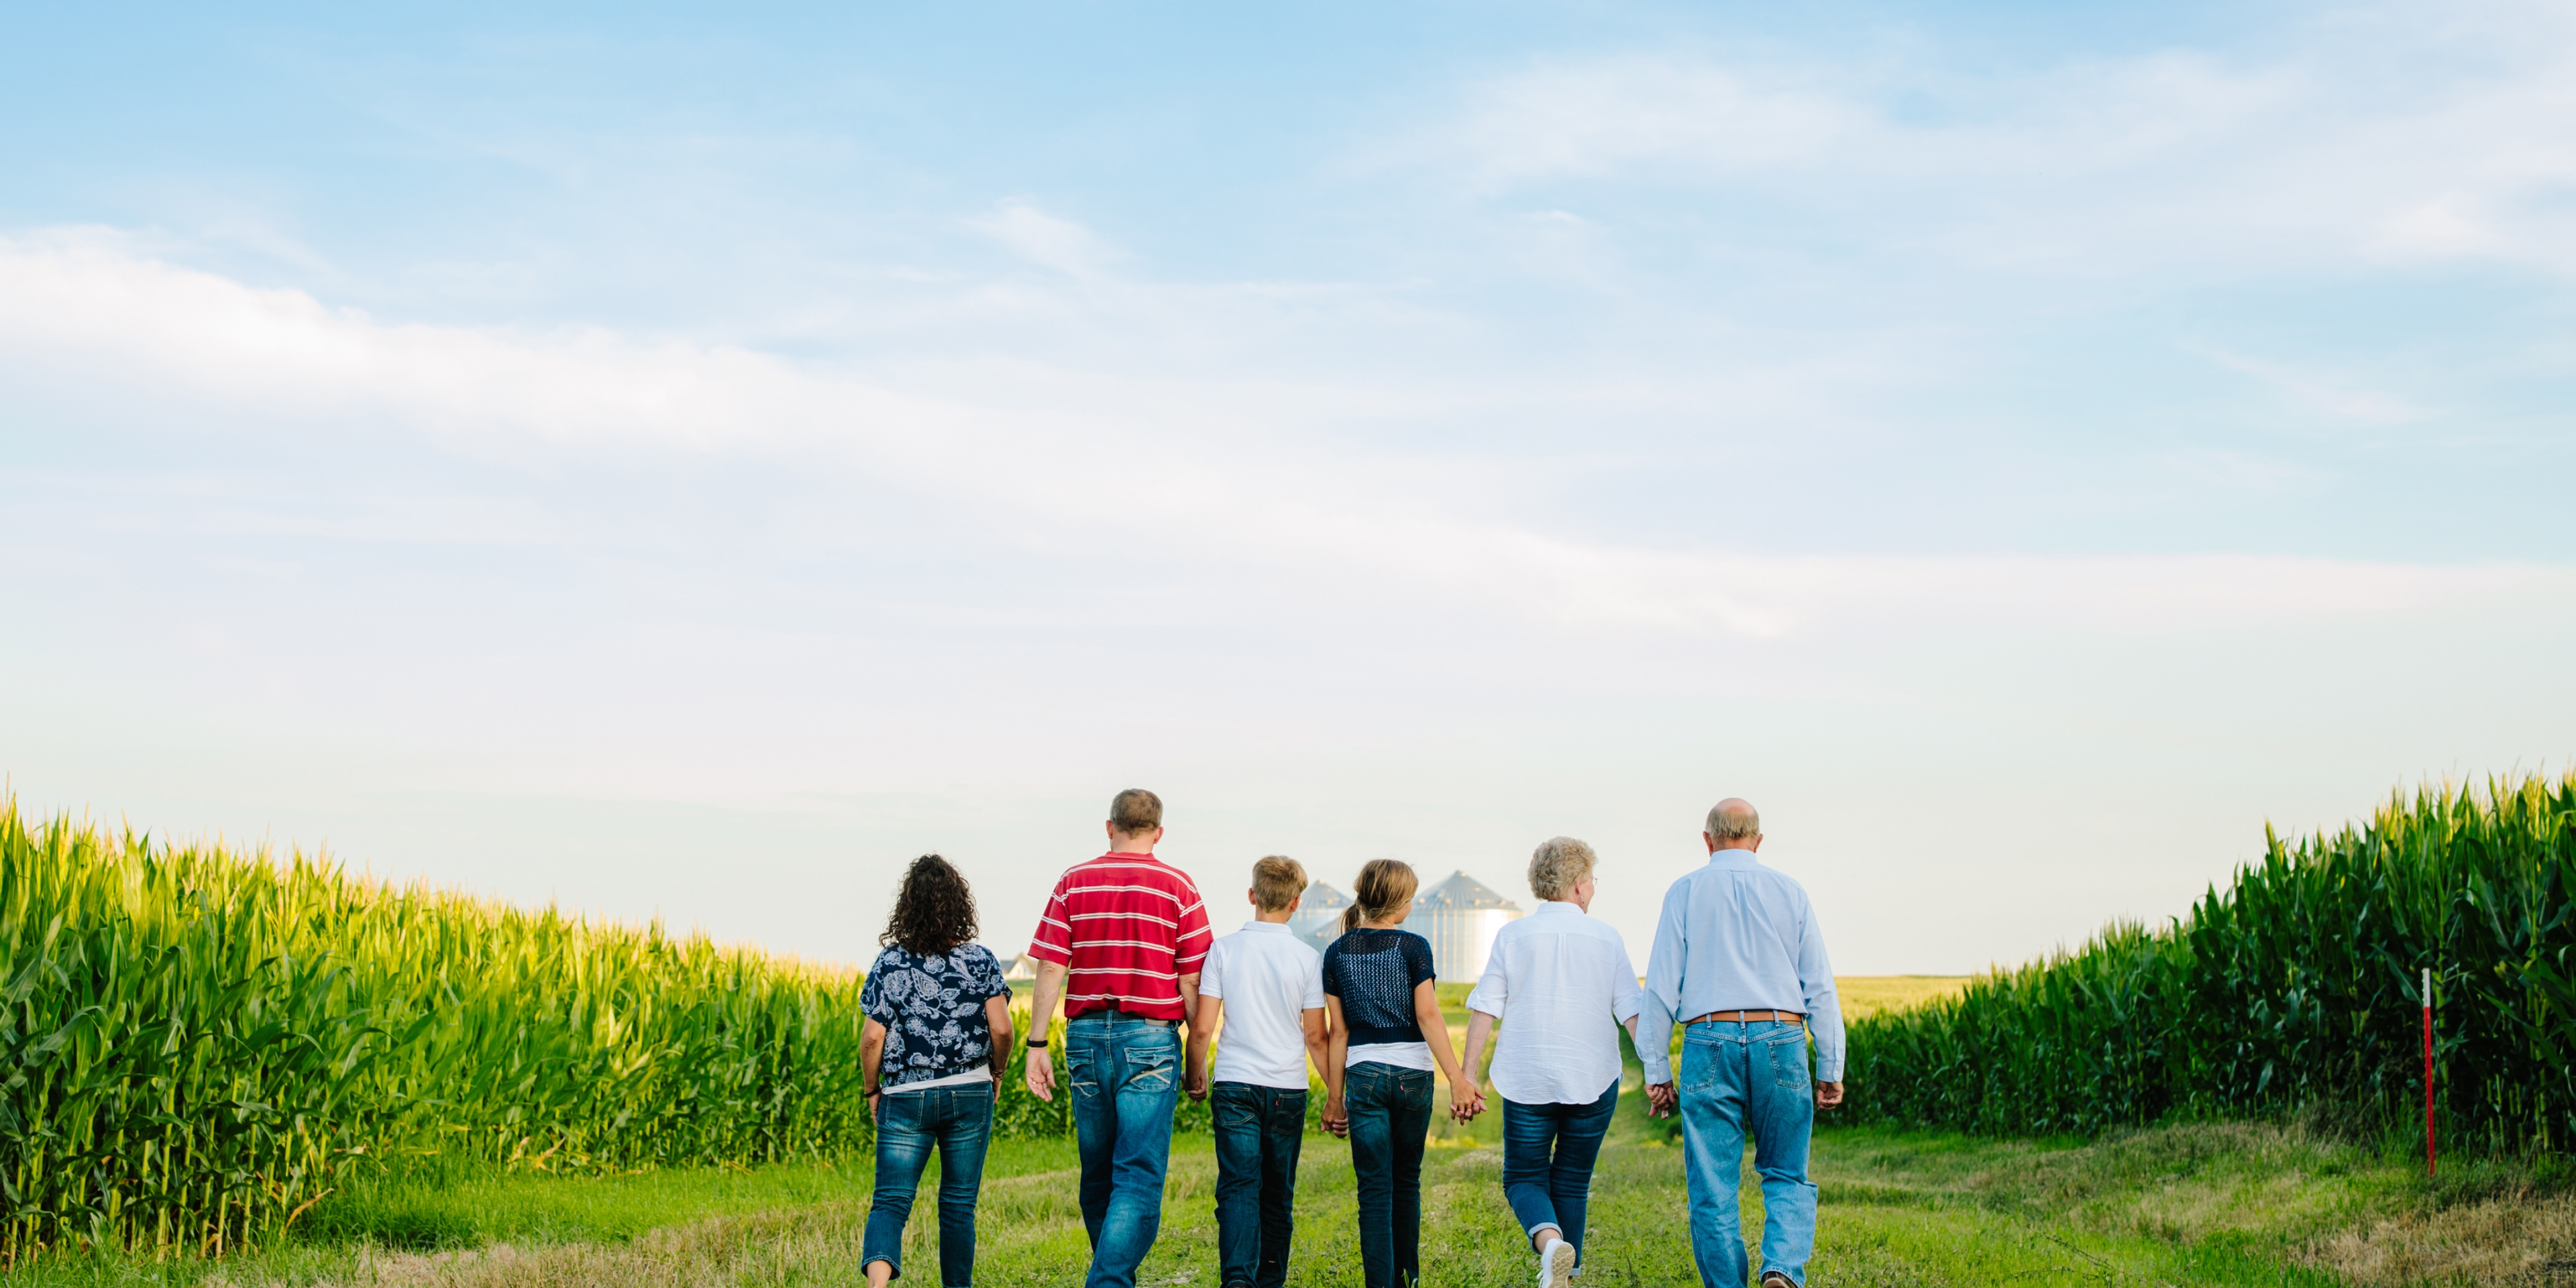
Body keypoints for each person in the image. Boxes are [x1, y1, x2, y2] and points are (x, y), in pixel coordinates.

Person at [1638, 799, 1845, 1288]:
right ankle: (1782, 1271)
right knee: (1786, 1172)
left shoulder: (1685, 891)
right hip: (1782, 1036)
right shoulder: (1789, 891)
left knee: (1712, 1189)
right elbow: (1819, 983)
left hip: (1710, 1038)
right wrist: (1830, 1067)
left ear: (1707, 840)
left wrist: (1656, 1071)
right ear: (1758, 840)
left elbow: (1661, 988)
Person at [1022, 789, 1214, 1288]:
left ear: (1109, 827)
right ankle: (1107, 1280)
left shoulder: (1074, 881)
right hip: (1150, 1039)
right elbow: (1193, 981)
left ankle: (1108, 1275)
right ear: (1159, 832)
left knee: (1099, 1174)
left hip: (1084, 1036)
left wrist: (1036, 1046)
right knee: (1137, 1176)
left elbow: (1050, 967)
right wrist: (1198, 1060)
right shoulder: (1180, 887)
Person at [1458, 837, 1646, 1288]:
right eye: (1592, 880)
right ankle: (1568, 1272)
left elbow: (1485, 1009)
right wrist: (1658, 1073)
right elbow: (1633, 1014)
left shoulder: (1513, 936)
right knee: (1573, 1181)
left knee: (1524, 1177)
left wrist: (1467, 1075)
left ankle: (1551, 1246)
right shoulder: (1608, 938)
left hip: (1526, 1077)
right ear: (1579, 885)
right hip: (1593, 1077)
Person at [1319, 857, 1483, 1288]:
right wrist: (1458, 1080)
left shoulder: (1337, 951)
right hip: (1413, 1078)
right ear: (1403, 902)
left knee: (1374, 1190)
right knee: (1406, 1182)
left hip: (1363, 1075)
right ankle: (1406, 1279)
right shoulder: (1414, 946)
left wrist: (1335, 1099)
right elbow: (1428, 1016)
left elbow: (1339, 1034)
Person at [859, 854, 1015, 1288]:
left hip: (906, 1095)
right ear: (959, 902)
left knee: (890, 1202)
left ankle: (876, 1286)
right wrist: (996, 1073)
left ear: (907, 905)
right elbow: (1002, 1028)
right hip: (970, 1091)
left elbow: (872, 1039)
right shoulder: (981, 961)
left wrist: (872, 1089)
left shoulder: (890, 964)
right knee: (959, 1205)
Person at [1183, 856, 1330, 1288]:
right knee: (1277, 1192)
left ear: (1252, 896)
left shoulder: (1224, 950)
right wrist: (1336, 1096)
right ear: (1296, 903)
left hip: (1235, 1085)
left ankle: (1237, 1281)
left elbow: (1203, 1029)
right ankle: (1270, 1281)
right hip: (1288, 1088)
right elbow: (1316, 1037)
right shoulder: (1307, 957)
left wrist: (1196, 1078)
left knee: (1237, 1186)